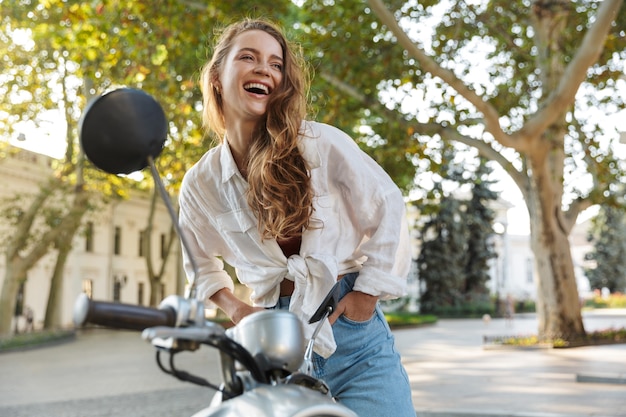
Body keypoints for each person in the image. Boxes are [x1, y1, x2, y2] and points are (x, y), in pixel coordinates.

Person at [178, 18, 415, 416]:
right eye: (249, 57)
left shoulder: (321, 143)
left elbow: (388, 205)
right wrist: (236, 309)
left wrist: (367, 293)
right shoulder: (201, 183)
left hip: (354, 336)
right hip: (271, 342)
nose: (263, 70)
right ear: (217, 76)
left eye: (275, 64)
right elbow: (198, 262)